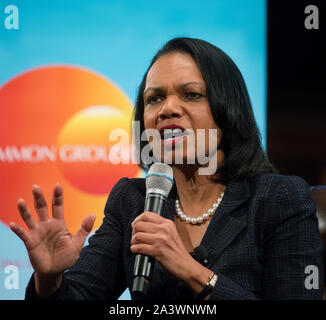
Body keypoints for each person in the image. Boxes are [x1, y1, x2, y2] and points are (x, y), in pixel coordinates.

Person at [10, 37, 324, 300]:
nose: (167, 109)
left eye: (191, 94)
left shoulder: (279, 198)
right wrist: (49, 279)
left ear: (228, 111)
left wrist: (190, 270)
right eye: (154, 98)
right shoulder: (132, 199)